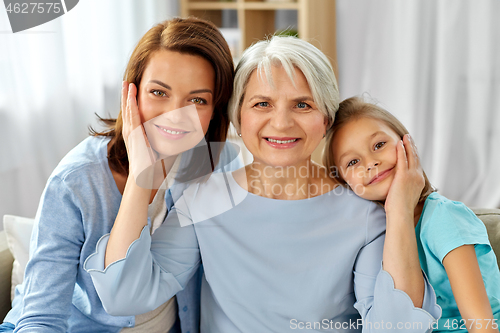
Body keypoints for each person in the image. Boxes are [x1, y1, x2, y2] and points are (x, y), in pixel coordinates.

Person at [85, 36, 441, 332]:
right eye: (262, 104)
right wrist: (140, 177)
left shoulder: (363, 218)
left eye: (302, 104)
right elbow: (123, 296)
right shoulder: (204, 199)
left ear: (325, 118)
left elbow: (398, 328)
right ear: (238, 116)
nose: (281, 123)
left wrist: (398, 213)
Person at [0, 17, 237, 333]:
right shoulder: (75, 184)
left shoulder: (212, 167)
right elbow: (40, 318)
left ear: (215, 109)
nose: (176, 115)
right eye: (159, 92)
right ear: (132, 93)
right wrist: (142, 175)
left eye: (197, 100)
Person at [324, 96, 500, 332]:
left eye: (378, 145)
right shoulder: (373, 237)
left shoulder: (443, 217)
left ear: (407, 145)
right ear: (343, 182)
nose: (371, 162)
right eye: (353, 161)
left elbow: (482, 326)